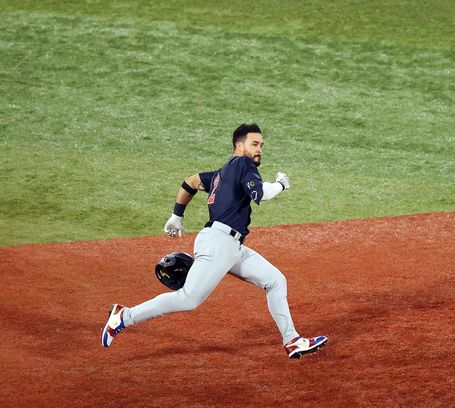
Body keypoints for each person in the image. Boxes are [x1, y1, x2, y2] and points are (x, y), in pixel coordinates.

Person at [101, 123, 327, 359]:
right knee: (188, 298)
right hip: (220, 243)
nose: (259, 149)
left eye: (261, 145)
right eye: (254, 144)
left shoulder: (222, 174)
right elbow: (261, 194)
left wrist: (177, 215)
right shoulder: (243, 164)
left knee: (275, 281)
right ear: (239, 145)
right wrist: (281, 184)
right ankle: (124, 316)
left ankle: (292, 341)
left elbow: (191, 182)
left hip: (231, 246)